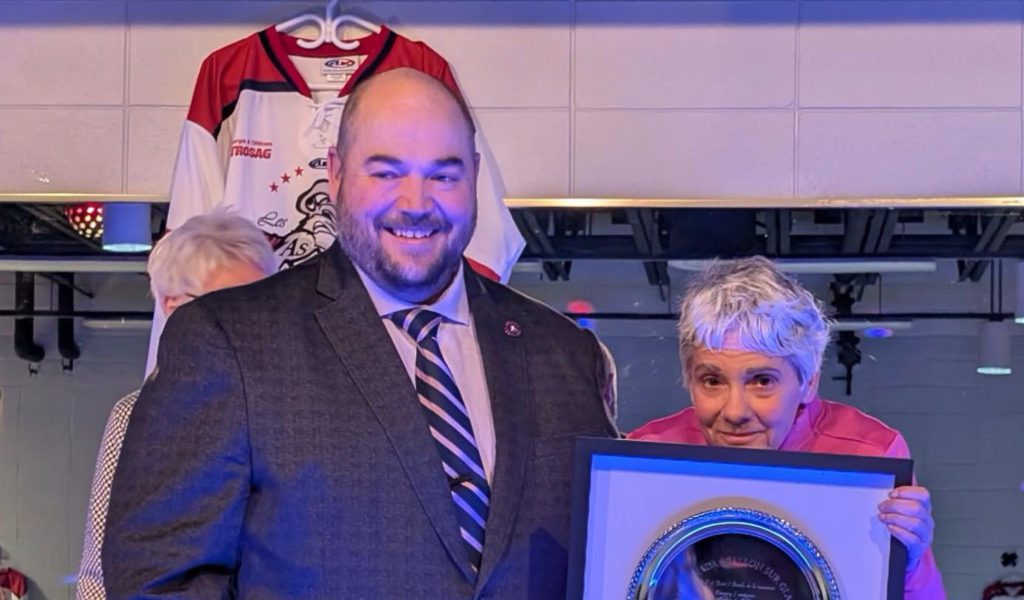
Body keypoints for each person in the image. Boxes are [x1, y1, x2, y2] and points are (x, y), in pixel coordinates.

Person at [101, 68, 617, 599]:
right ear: (336, 174)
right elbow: (158, 581)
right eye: (386, 173)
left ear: (475, 176)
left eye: (444, 176)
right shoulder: (227, 342)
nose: (415, 203)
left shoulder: (566, 354)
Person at [629, 256, 946, 599]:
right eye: (712, 381)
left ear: (808, 383)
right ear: (689, 382)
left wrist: (908, 560)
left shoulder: (868, 456)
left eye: (762, 381)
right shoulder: (645, 457)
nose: (735, 411)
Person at [75, 212, 278, 599]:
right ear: (174, 306)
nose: (255, 325)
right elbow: (97, 573)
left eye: (266, 306)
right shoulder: (134, 416)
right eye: (231, 308)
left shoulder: (296, 411)